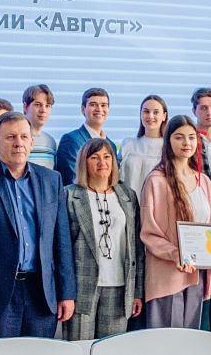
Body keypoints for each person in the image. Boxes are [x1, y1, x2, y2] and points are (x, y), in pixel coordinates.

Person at [0, 112, 76, 338]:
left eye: (24, 137)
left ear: (31, 142)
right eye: (10, 137)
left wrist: (67, 292)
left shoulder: (52, 180)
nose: (18, 143)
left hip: (41, 292)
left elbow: (62, 241)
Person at [140, 115, 211, 329]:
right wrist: (175, 253)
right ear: (168, 140)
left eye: (191, 137)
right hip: (167, 276)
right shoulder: (156, 180)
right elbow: (149, 233)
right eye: (179, 137)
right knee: (166, 341)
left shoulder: (204, 181)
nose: (186, 143)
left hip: (197, 275)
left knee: (190, 340)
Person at [63, 139, 145, 340]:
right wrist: (65, 292)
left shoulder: (128, 195)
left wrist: (137, 291)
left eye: (107, 157)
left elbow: (137, 248)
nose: (102, 162)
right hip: (81, 288)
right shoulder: (69, 195)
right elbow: (62, 248)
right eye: (95, 157)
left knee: (110, 348)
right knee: (80, 348)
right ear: (84, 162)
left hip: (120, 287)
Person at [57, 88, 120, 185]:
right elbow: (71, 181)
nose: (99, 109)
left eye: (103, 105)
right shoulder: (71, 140)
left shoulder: (111, 145)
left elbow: (113, 179)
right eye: (93, 104)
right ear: (83, 109)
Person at [120, 95, 169, 197]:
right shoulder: (128, 145)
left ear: (164, 116)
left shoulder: (169, 148)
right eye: (146, 111)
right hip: (127, 204)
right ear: (141, 114)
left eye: (156, 112)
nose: (150, 116)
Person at [23, 84, 58, 169]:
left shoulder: (51, 141)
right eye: (38, 105)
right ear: (25, 107)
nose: (43, 110)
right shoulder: (17, 139)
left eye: (47, 106)